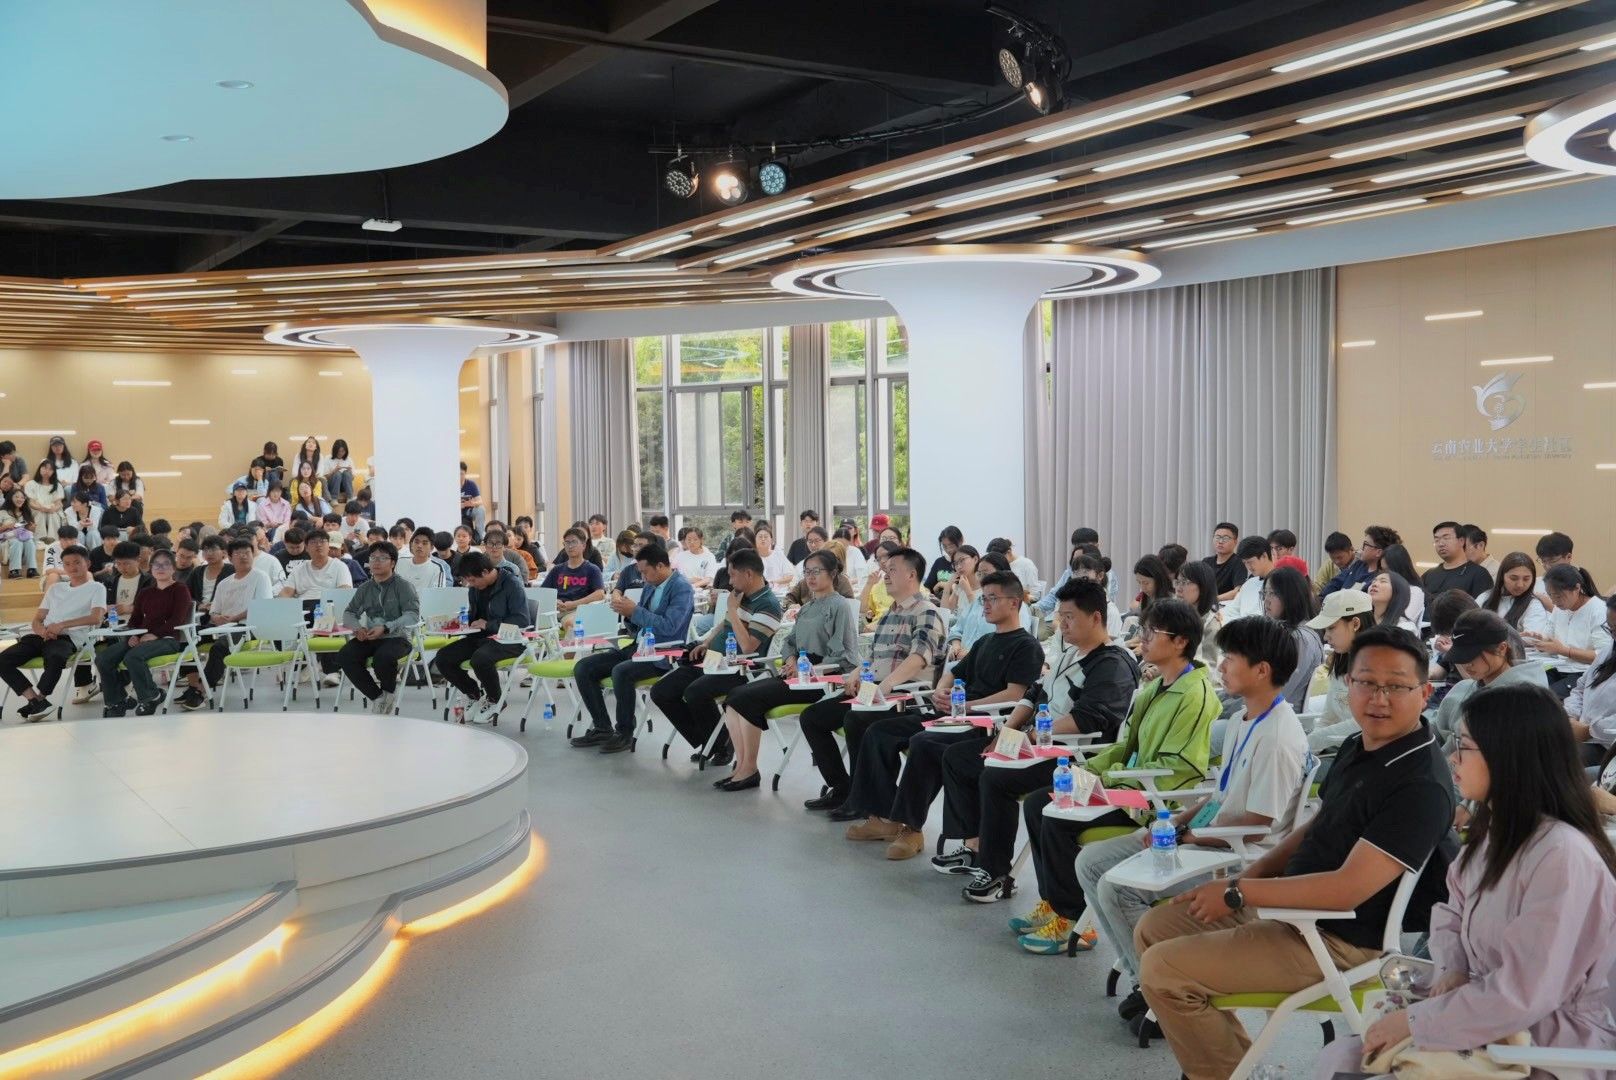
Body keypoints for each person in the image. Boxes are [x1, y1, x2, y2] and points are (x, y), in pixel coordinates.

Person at [1135, 626, 1456, 1080]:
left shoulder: (1419, 784)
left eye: (1396, 686)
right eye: (1366, 682)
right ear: (1349, 684)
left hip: (1340, 940)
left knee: (1162, 969)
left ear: (1424, 693)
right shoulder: (1361, 745)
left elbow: (1346, 890)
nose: (1378, 698)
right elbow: (1317, 827)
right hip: (1292, 906)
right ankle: (1234, 1065)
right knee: (1155, 928)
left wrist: (1238, 893)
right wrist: (1247, 879)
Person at [1321, 682, 1616, 1077]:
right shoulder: (1495, 834)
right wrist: (1453, 969)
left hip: (1547, 1047)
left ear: (1509, 756)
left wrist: (1417, 1022)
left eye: (1464, 746)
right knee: (1344, 1057)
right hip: (1493, 1021)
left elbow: (1525, 993)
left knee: (1365, 1063)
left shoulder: (1561, 856)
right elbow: (1451, 914)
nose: (1453, 758)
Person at [1077, 616, 1310, 1019]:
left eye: (1231, 658)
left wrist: (1188, 837)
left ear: (1261, 670)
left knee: (1117, 889)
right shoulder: (1243, 720)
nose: (1222, 665)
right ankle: (1146, 980)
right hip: (1206, 839)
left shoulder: (1278, 738)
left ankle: (1156, 988)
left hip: (1237, 859)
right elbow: (1220, 796)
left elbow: (1258, 827)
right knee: (1090, 862)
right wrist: (1174, 823)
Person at [1009, 599, 1221, 952]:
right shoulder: (1155, 687)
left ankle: (1072, 920)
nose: (1144, 637)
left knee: (1058, 820)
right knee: (1037, 803)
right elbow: (1126, 747)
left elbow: (1179, 768)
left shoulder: (1196, 695)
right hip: (1127, 785)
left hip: (1152, 802)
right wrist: (1089, 770)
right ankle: (1053, 903)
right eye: (1144, 629)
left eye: (1153, 631)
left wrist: (1111, 780)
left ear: (1181, 641)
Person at [940, 578, 1139, 893]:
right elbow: (1033, 693)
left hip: (1074, 757)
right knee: (960, 757)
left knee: (995, 778)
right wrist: (1008, 732)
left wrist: (1033, 735)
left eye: (1069, 617)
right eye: (1061, 616)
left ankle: (995, 872)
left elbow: (1089, 718)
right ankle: (974, 846)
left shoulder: (1112, 663)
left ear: (1096, 618)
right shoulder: (1069, 654)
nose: (1062, 623)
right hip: (1039, 745)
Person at [842, 570, 1042, 859]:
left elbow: (1015, 694)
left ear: (1014, 603)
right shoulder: (985, 642)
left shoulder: (1026, 646)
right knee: (879, 731)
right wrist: (940, 692)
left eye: (992, 599)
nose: (985, 605)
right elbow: (954, 673)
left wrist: (968, 706)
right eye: (983, 599)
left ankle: (911, 827)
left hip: (983, 721)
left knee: (925, 743)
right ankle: (882, 817)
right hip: (951, 714)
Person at [800, 548, 946, 811]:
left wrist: (886, 685)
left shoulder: (926, 611)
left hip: (907, 696)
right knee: (812, 717)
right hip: (875, 690)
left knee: (856, 719)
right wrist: (857, 673)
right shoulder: (890, 613)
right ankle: (843, 788)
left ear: (911, 575)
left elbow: (918, 658)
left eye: (892, 570)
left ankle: (861, 800)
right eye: (885, 570)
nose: (885, 575)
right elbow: (873, 656)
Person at [713, 548, 862, 790]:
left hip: (822, 678)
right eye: (807, 572)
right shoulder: (807, 607)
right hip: (798, 673)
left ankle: (749, 769)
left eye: (816, 571)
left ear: (833, 573)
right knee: (735, 696)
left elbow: (845, 653)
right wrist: (791, 658)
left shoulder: (839, 606)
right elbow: (790, 641)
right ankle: (741, 767)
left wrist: (812, 669)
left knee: (747, 698)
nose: (810, 577)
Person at [648, 548, 780, 766]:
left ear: (749, 574)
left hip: (740, 669)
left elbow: (748, 647)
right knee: (661, 691)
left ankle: (717, 744)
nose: (730, 580)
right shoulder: (740, 596)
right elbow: (724, 624)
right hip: (713, 660)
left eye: (733, 575)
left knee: (695, 692)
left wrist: (733, 609)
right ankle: (712, 741)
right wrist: (706, 642)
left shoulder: (768, 604)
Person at [568, 542, 696, 755]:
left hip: (664, 652)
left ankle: (625, 732)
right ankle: (602, 727)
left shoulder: (681, 588)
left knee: (622, 671)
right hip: (639, 645)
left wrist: (634, 611)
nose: (643, 578)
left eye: (645, 572)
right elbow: (638, 624)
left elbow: (670, 627)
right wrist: (625, 613)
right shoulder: (651, 585)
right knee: (584, 667)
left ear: (661, 566)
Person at [0, 545, 107, 720]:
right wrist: (42, 631)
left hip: (69, 638)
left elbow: (96, 618)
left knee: (56, 656)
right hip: (43, 636)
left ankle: (41, 698)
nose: (72, 567)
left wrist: (62, 625)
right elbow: (37, 619)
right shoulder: (55, 589)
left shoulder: (96, 588)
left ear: (87, 563)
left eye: (77, 562)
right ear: (62, 566)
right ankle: (34, 700)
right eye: (67, 564)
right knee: (3, 660)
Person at [1430, 609, 1551, 751]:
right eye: (1461, 656)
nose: (1467, 664)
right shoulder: (1463, 687)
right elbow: (1434, 730)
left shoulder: (1523, 699)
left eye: (1473, 656)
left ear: (1501, 648)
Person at [432, 551, 526, 723]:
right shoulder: (475, 589)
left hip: (509, 639)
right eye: (468, 581)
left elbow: (521, 620)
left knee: (480, 659)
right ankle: (473, 693)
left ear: (485, 572)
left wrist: (488, 624)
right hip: (481, 638)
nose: (471, 584)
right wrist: (461, 621)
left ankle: (495, 699)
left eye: (473, 580)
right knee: (443, 658)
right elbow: (476, 615)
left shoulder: (512, 585)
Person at [95, 548, 191, 717]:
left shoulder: (180, 589)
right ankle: (118, 700)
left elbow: (177, 619)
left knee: (133, 656)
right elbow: (135, 620)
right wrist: (134, 635)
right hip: (142, 637)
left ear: (173, 568)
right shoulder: (145, 592)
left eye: (166, 564)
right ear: (151, 568)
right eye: (156, 564)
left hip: (168, 639)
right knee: (103, 658)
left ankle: (151, 696)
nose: (161, 568)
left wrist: (155, 635)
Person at [180, 539, 272, 709]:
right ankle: (192, 685)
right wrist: (217, 618)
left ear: (253, 555)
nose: (243, 556)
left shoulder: (260, 577)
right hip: (222, 626)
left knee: (219, 647)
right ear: (230, 557)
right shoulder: (224, 583)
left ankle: (201, 690)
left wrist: (234, 618)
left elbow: (261, 607)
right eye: (238, 553)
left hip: (249, 627)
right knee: (186, 639)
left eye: (247, 552)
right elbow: (214, 611)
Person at [334, 541, 419, 714]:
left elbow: (412, 615)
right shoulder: (365, 588)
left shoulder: (403, 586)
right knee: (345, 655)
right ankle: (378, 697)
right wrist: (358, 628)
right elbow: (349, 612)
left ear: (393, 563)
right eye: (372, 558)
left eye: (382, 558)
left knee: (383, 657)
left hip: (398, 637)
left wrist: (386, 627)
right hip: (371, 636)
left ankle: (388, 692)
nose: (376, 562)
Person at [1304, 589, 1377, 755]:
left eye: (1331, 628)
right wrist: (1310, 750)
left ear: (1355, 624)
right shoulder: (1342, 660)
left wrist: (1314, 740)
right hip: (1339, 751)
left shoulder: (1378, 668)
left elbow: (1363, 723)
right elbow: (1328, 717)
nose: (1325, 637)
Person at [1529, 563, 1613, 698]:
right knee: (1525, 689)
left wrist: (1564, 651)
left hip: (1585, 673)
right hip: (1559, 667)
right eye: (1550, 595)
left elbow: (1604, 656)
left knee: (1543, 698)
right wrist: (1537, 639)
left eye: (1558, 596)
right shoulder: (1560, 608)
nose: (1554, 601)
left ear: (1577, 588)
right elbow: (1549, 637)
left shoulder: (1598, 610)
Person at [1263, 565, 1325, 706]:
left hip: (1279, 712)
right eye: (1265, 593)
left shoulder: (1300, 639)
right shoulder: (1283, 631)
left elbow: (1278, 692)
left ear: (1291, 597)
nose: (1266, 600)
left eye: (1273, 593)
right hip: (1263, 706)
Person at [1567, 596, 1616, 756]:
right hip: (1584, 733)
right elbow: (1581, 687)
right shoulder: (1610, 649)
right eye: (1610, 628)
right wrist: (1571, 716)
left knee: (1552, 758)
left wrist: (1588, 731)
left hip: (1608, 746)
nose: (1613, 635)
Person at [539, 527, 607, 624]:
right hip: (555, 610)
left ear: (583, 545)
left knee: (569, 623)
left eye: (574, 542)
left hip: (578, 610)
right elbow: (543, 592)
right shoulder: (557, 569)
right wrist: (555, 601)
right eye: (567, 543)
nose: (570, 546)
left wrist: (573, 604)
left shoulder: (592, 569)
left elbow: (600, 594)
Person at [1479, 550, 1551, 636]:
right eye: (1514, 578)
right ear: (1502, 576)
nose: (1520, 585)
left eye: (1526, 579)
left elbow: (1532, 639)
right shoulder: (1485, 597)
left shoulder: (1533, 605)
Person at [1174, 559, 1225, 674]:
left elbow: (1208, 669)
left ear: (1202, 587)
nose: (1178, 588)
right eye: (1177, 582)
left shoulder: (1211, 624)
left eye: (1185, 582)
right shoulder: (1174, 615)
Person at [1321, 524, 1400, 598]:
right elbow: (1335, 582)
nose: (1362, 548)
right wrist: (1320, 600)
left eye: (1366, 544)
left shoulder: (1380, 578)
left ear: (1378, 552)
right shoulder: (1358, 565)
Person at [1422, 520, 1492, 598]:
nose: (1441, 544)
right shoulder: (1429, 575)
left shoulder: (1479, 574)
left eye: (1446, 538)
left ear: (1461, 541)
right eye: (1437, 540)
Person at [277, 529, 352, 600]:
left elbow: (345, 593)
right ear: (306, 548)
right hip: (303, 606)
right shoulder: (298, 569)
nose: (318, 545)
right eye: (313, 542)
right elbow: (286, 593)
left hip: (330, 606)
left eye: (322, 541)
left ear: (328, 546)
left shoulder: (340, 567)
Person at [1225, 536, 1272, 620]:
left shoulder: (1282, 582)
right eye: (1245, 563)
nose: (1248, 567)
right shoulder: (1249, 583)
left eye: (1250, 562)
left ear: (1264, 556)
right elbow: (1231, 610)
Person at [1381, 543, 1427, 626]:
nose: (1386, 575)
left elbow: (1405, 621)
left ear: (1399, 569)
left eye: (1389, 570)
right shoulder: (1382, 589)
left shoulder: (1415, 592)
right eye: (1383, 570)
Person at [1202, 522, 1249, 601]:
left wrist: (1213, 600)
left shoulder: (1239, 562)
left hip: (1225, 605)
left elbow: (1238, 591)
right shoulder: (1206, 561)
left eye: (1225, 538)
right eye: (1217, 537)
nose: (1220, 541)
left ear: (1235, 542)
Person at [397, 528, 452, 593]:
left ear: (431, 548)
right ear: (411, 545)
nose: (419, 546)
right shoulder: (400, 562)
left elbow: (437, 594)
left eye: (424, 543)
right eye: (416, 542)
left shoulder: (437, 568)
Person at [1, 487, 37, 578]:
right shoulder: (2, 512)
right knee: (16, 542)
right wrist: (6, 526)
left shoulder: (26, 513)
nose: (20, 499)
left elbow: (30, 532)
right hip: (6, 539)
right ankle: (14, 570)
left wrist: (32, 528)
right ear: (10, 498)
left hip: (23, 539)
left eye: (22, 497)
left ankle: (31, 569)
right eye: (16, 497)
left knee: (30, 541)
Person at [25, 460, 65, 539]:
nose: (47, 471)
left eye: (50, 469)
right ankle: (39, 539)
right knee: (40, 513)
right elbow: (31, 503)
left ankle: (53, 539)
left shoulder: (57, 485)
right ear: (40, 468)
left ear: (53, 472)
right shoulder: (31, 484)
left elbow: (59, 504)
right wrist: (41, 508)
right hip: (36, 509)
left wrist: (53, 509)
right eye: (45, 468)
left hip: (53, 509)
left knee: (53, 514)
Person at [925, 525, 964, 595]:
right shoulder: (939, 562)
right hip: (938, 600)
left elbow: (967, 589)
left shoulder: (967, 562)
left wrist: (943, 584)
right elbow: (927, 587)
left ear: (961, 541)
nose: (948, 550)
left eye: (951, 545)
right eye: (944, 546)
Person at [323, 437, 357, 503]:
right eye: (338, 451)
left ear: (346, 451)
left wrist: (350, 472)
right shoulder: (328, 458)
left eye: (343, 451)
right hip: (332, 484)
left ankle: (350, 497)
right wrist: (334, 471)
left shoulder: (349, 459)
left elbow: (352, 478)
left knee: (346, 473)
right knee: (337, 473)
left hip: (344, 486)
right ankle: (334, 498)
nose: (340, 453)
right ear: (334, 450)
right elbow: (325, 477)